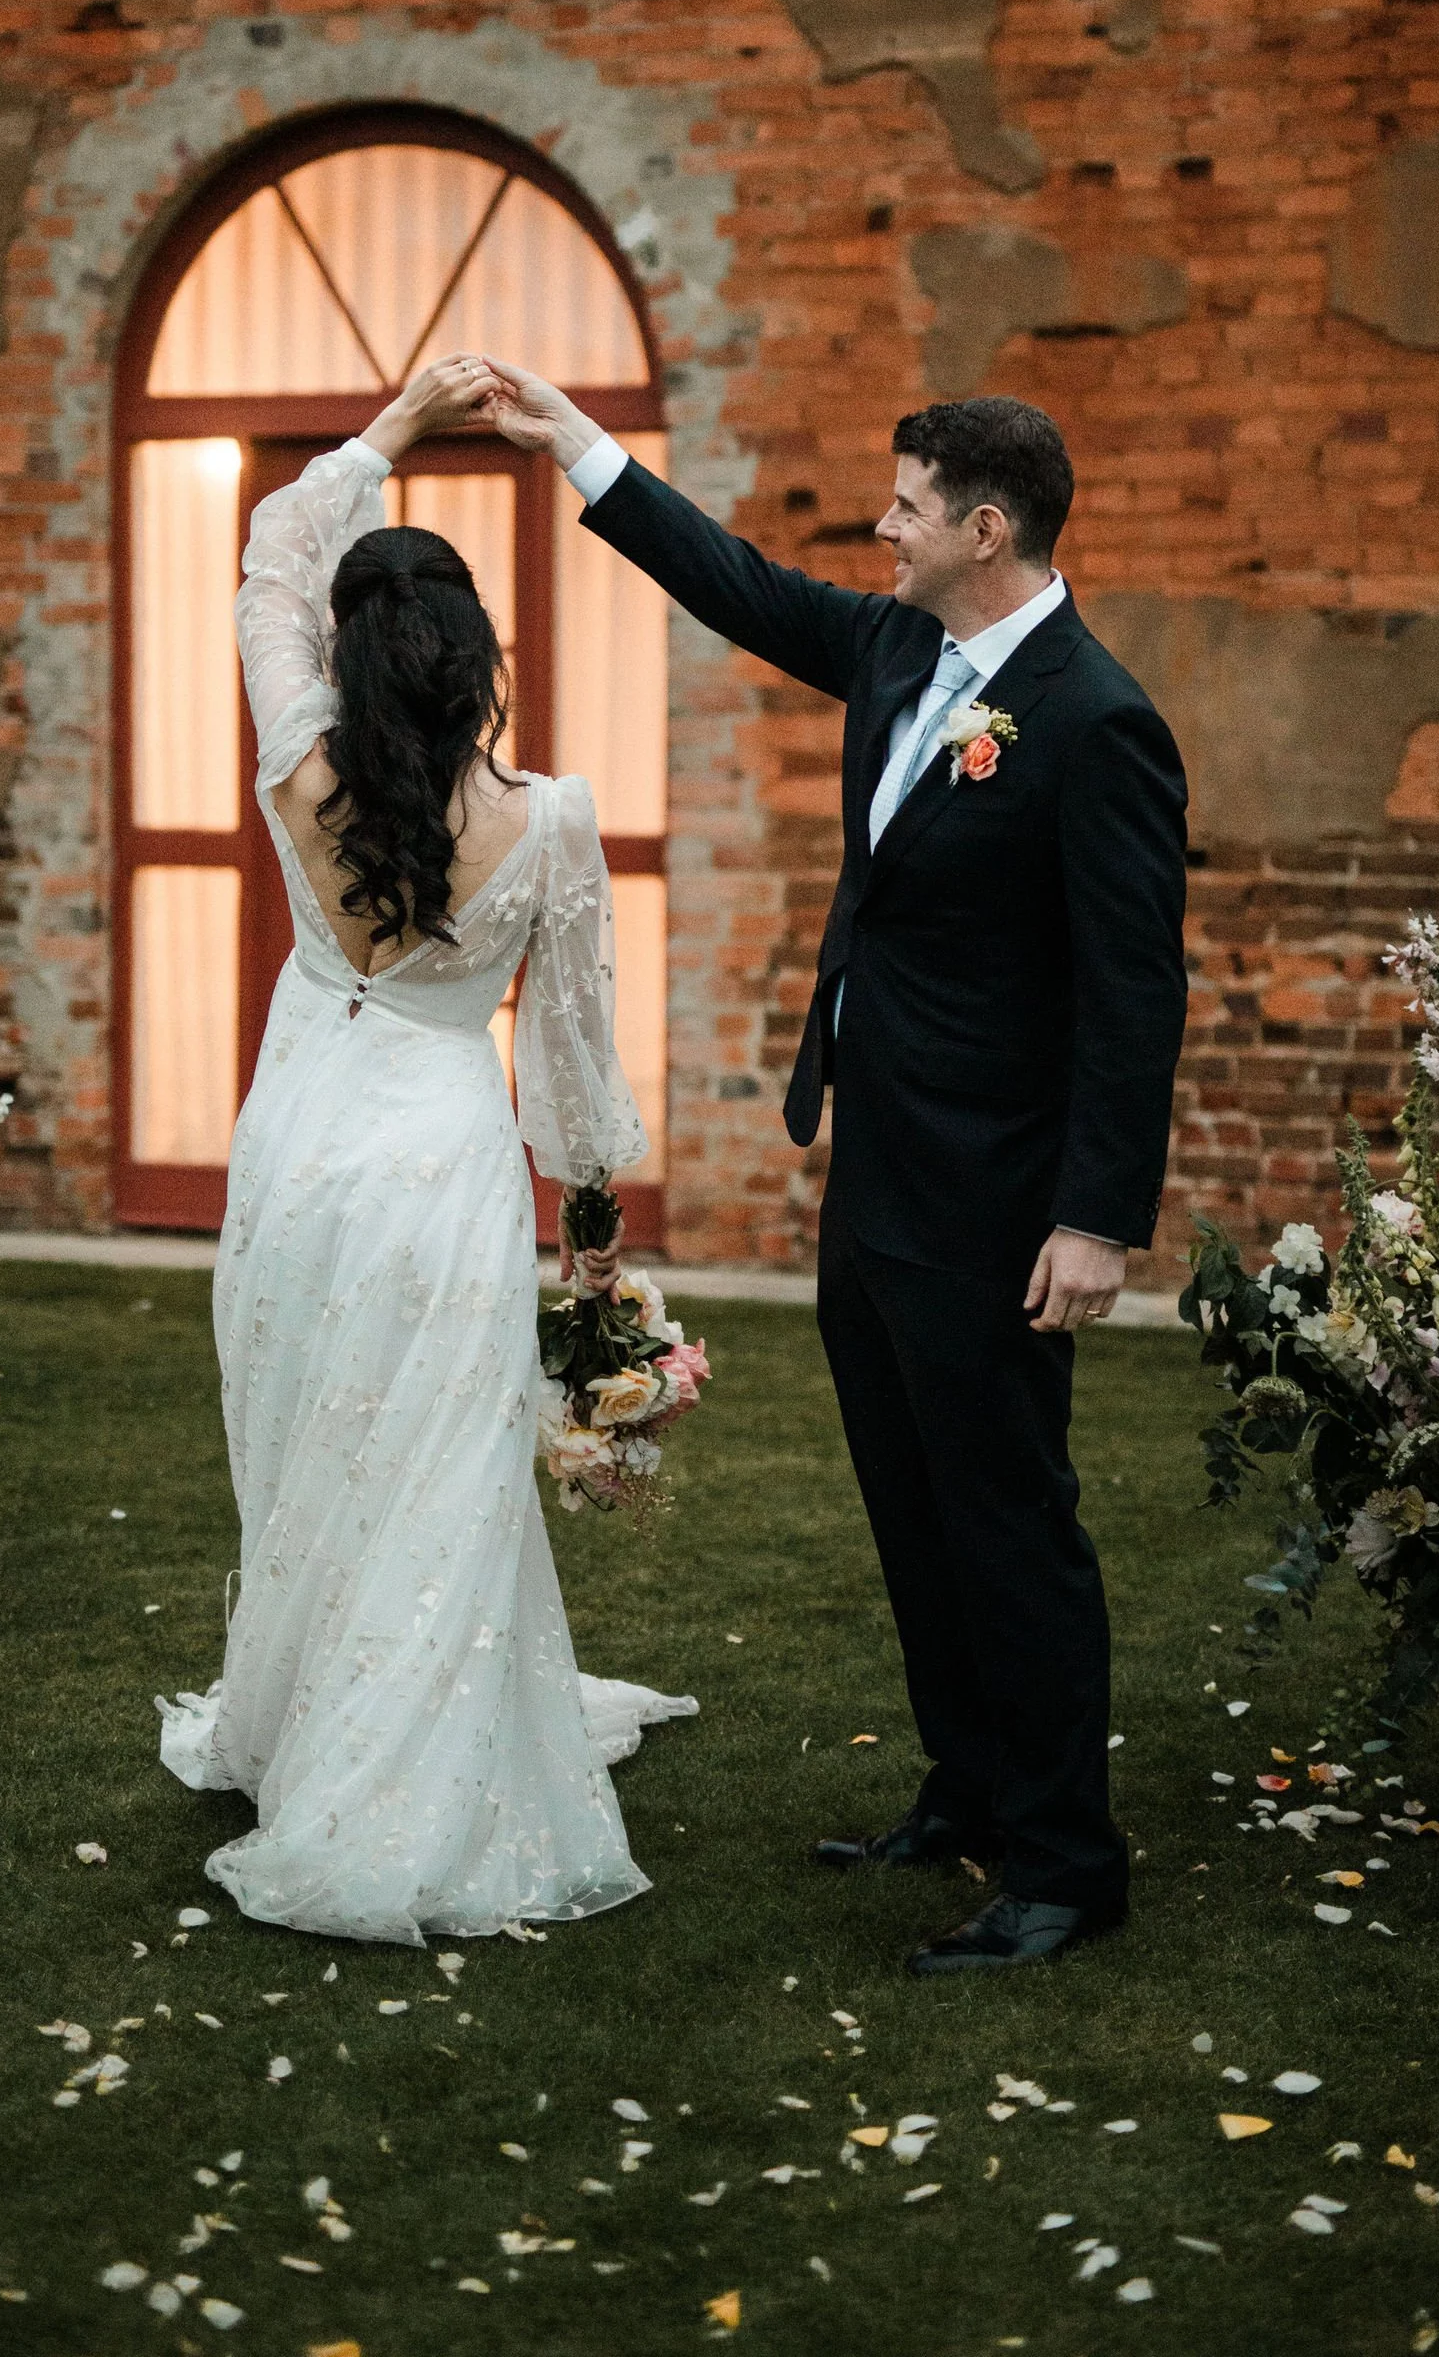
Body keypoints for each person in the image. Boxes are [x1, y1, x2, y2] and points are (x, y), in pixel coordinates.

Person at [489, 368, 1186, 1973]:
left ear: (987, 526)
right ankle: (972, 1786)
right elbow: (734, 582)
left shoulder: (1095, 719)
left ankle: (1067, 1860)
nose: (882, 528)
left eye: (908, 506)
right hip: (874, 1166)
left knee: (1008, 1515)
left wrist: (1097, 1214)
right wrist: (576, 449)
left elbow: (1135, 990)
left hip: (1002, 1196)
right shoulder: (895, 648)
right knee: (912, 1499)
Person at [157, 352, 694, 1945]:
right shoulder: (559, 820)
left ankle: (310, 1722)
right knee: (444, 1460)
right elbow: (575, 1047)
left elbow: (271, 549)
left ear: (351, 660)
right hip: (446, 1154)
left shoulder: (297, 759)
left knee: (314, 1430)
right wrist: (595, 1232)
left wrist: (391, 427)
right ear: (478, 667)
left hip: (306, 1132)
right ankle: (404, 1745)